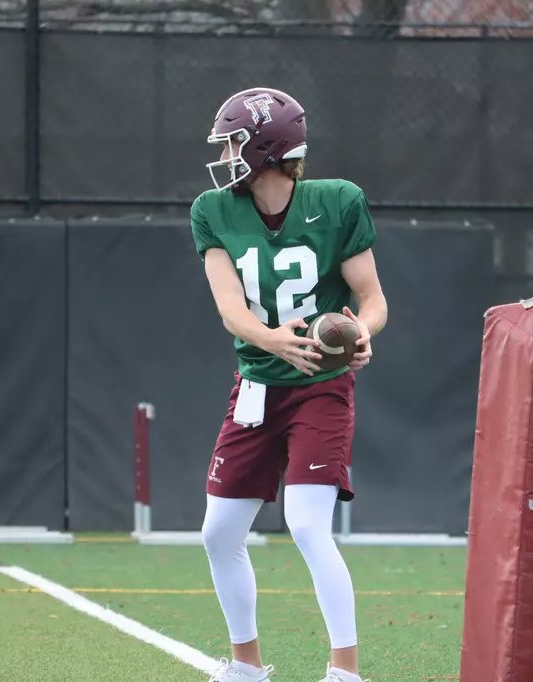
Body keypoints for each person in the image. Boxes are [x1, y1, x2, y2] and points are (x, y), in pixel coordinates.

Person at [190, 87, 387, 682]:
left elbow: (372, 300)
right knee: (218, 532)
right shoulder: (212, 209)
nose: (225, 155)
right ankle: (246, 666)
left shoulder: (339, 201)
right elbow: (230, 308)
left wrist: (363, 333)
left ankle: (344, 670)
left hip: (321, 387)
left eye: (232, 142)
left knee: (306, 524)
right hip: (256, 384)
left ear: (264, 148)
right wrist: (273, 339)